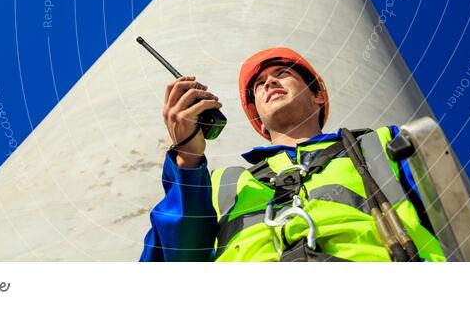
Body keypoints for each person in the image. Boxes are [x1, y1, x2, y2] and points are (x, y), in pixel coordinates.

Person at [140, 47, 453, 262]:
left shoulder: (385, 143)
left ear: (317, 96)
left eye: (282, 73)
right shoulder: (219, 183)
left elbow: (460, 219)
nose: (269, 82)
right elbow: (174, 262)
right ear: (258, 119)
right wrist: (187, 160)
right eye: (260, 84)